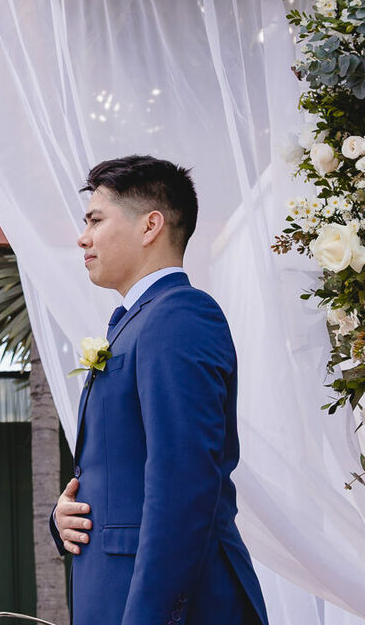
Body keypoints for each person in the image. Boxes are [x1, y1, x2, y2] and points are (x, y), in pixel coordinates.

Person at [49, 156, 268, 624]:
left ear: (150, 226)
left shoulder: (179, 315)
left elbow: (183, 484)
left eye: (95, 220)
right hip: (113, 594)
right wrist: (64, 517)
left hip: (160, 607)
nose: (83, 237)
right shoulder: (139, 321)